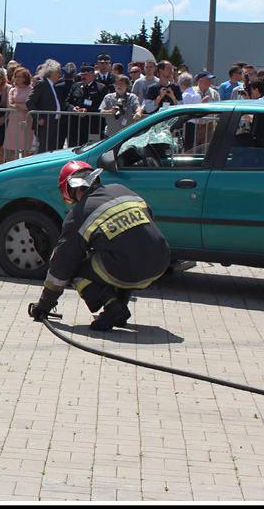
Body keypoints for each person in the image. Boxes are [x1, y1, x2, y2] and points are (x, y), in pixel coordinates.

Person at [27, 160, 170, 331]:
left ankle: (113, 307)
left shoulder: (80, 214)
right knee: (116, 254)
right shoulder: (122, 190)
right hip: (161, 262)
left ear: (70, 189)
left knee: (77, 270)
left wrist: (43, 306)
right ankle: (120, 305)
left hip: (130, 267)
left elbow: (62, 266)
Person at [64, 63, 108, 147]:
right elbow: (66, 103)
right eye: (82, 74)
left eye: (86, 74)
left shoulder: (100, 88)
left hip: (91, 126)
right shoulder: (76, 86)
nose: (83, 77)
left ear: (92, 75)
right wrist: (73, 108)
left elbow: (101, 106)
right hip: (75, 126)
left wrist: (88, 111)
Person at [27, 59, 65, 153]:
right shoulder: (42, 84)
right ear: (51, 72)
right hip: (45, 123)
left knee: (52, 148)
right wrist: (38, 117)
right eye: (58, 72)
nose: (59, 75)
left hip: (54, 122)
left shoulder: (53, 86)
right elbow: (29, 101)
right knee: (44, 149)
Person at [3, 67, 34, 162]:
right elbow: (9, 105)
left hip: (26, 121)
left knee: (25, 148)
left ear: (25, 78)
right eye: (16, 76)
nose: (17, 78)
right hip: (13, 120)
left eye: (20, 76)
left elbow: (28, 106)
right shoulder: (12, 90)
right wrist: (21, 106)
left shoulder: (31, 90)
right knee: (12, 147)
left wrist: (16, 105)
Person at [99, 74, 139, 138]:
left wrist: (138, 114)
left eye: (122, 83)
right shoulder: (108, 97)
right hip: (110, 133)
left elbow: (138, 107)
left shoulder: (132, 97)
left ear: (127, 86)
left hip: (127, 133)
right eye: (117, 83)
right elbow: (101, 112)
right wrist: (111, 111)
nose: (119, 85)